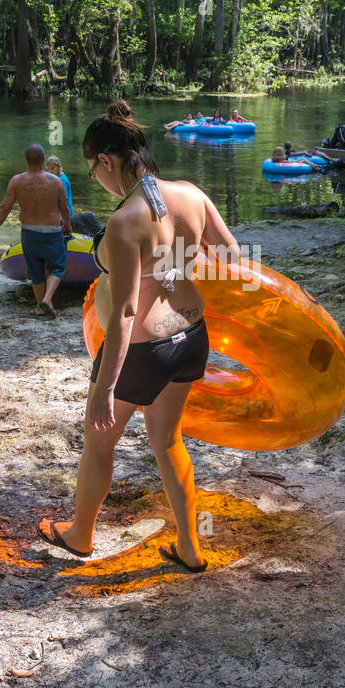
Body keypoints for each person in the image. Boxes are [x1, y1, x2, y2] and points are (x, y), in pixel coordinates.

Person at [36, 100, 240, 573]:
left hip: (140, 352)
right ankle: (190, 547)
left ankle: (80, 534)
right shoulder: (190, 193)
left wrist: (106, 387)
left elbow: (126, 311)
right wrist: (175, 266)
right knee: (168, 441)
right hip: (190, 336)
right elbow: (229, 255)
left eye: (93, 171)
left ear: (106, 161)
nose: (97, 179)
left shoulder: (125, 222)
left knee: (99, 443)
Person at [0, 143, 72, 318]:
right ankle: (48, 299)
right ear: (43, 160)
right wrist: (68, 225)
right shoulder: (55, 181)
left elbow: (4, 208)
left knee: (36, 270)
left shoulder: (17, 181)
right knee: (58, 267)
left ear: (26, 160)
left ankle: (40, 307)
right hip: (52, 231)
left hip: (29, 232)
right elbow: (64, 208)